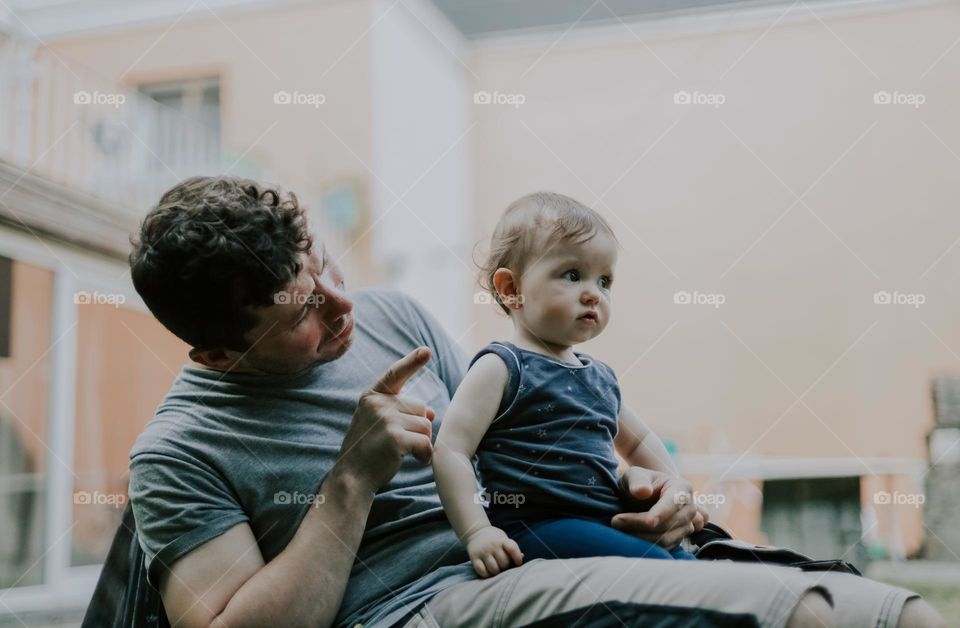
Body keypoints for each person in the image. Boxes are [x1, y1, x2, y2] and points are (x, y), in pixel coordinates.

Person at [126, 175, 943, 628]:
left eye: (328, 268)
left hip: (544, 540)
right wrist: (350, 482)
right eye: (304, 311)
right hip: (430, 605)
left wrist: (647, 486)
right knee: (811, 616)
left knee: (895, 614)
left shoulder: (393, 317)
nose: (346, 306)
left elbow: (522, 433)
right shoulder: (180, 450)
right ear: (216, 353)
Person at [434, 192, 695, 579]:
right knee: (658, 572)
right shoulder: (502, 367)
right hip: (537, 527)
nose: (593, 293)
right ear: (511, 289)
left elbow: (638, 443)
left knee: (690, 564)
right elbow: (451, 449)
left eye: (604, 280)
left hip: (604, 518)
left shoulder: (599, 375)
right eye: (572, 275)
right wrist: (477, 532)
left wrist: (675, 491)